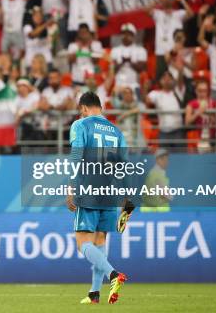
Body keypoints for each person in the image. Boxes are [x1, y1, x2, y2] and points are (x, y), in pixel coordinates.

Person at [65, 91, 128, 305]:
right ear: (99, 107)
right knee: (100, 240)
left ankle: (114, 275)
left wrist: (71, 185)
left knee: (82, 243)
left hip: (88, 187)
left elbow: (76, 154)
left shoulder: (80, 124)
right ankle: (94, 294)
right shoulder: (117, 131)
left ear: (83, 108)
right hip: (109, 191)